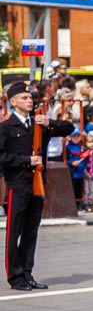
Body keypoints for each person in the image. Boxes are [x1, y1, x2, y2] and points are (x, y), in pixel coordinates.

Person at [0, 82, 74, 290]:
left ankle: (27, 273)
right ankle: (15, 278)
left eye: (30, 97)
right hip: (18, 184)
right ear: (13, 102)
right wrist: (25, 160)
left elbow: (69, 128)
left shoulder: (39, 125)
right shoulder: (5, 128)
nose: (29, 100)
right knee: (14, 232)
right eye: (24, 98)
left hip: (37, 184)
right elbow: (2, 156)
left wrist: (50, 121)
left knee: (31, 232)